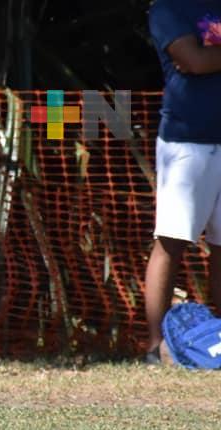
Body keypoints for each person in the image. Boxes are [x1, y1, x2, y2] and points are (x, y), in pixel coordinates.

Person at [144, 0, 221, 364]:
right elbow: (194, 61)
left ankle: (217, 340)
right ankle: (155, 346)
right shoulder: (167, 9)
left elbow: (206, 60)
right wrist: (205, 58)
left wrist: (210, 56)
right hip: (186, 143)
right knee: (172, 242)